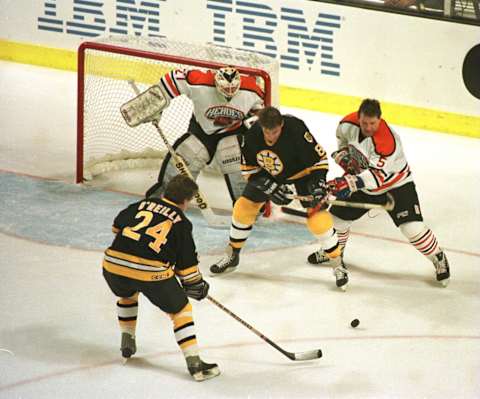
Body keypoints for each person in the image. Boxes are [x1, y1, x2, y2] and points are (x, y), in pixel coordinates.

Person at [308, 99, 451, 287]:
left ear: (380, 119)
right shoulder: (347, 124)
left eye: (373, 123)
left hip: (395, 186)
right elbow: (343, 142)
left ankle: (438, 257)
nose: (368, 127)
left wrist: (348, 183)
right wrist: (344, 157)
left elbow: (377, 177)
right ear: (358, 118)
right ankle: (335, 252)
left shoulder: (387, 142)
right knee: (337, 221)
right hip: (363, 184)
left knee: (412, 229)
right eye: (364, 122)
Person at [209, 106, 349, 290]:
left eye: (274, 132)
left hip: (303, 174)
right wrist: (270, 187)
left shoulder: (296, 129)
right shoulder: (252, 135)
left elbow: (319, 161)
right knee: (243, 207)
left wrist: (317, 186)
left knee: (317, 219)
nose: (270, 136)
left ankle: (338, 264)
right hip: (270, 175)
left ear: (281, 125)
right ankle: (232, 255)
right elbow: (250, 171)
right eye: (267, 131)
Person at [102, 174, 220, 381]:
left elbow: (116, 227)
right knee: (181, 310)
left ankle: (127, 337)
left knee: (128, 294)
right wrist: (196, 285)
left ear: (166, 192)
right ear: (186, 200)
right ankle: (195, 364)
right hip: (150, 273)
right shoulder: (182, 222)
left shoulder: (142, 204)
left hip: (113, 265)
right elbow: (186, 265)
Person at [145, 66, 265, 204]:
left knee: (233, 155)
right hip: (203, 131)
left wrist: (256, 122)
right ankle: (169, 200)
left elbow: (260, 112)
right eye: (225, 90)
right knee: (188, 153)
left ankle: (249, 205)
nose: (229, 94)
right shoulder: (200, 82)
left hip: (234, 132)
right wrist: (154, 105)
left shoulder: (251, 88)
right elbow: (170, 80)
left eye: (233, 90)